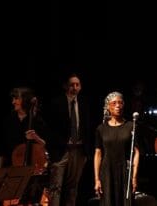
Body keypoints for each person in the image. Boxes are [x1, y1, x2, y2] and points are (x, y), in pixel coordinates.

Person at [43, 73, 95, 206]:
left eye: (77, 85)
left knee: (73, 188)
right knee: (56, 187)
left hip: (78, 150)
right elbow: (49, 128)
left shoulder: (84, 104)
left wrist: (87, 150)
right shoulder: (56, 103)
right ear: (66, 86)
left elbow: (87, 127)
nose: (75, 87)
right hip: (61, 150)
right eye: (72, 84)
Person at [0, 87, 52, 204]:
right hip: (13, 169)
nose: (13, 102)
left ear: (25, 100)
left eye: (16, 98)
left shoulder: (37, 120)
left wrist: (35, 137)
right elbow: (3, 147)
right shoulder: (9, 120)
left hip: (34, 170)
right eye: (13, 99)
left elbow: (45, 144)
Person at [93, 92, 140, 206]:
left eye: (120, 103)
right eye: (114, 103)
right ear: (108, 107)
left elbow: (136, 152)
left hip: (125, 171)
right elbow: (98, 153)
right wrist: (97, 179)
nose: (118, 106)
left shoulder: (131, 126)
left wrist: (134, 177)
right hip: (107, 172)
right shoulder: (101, 129)